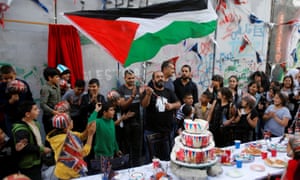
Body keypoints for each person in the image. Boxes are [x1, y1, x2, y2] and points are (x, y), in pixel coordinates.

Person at [141, 71, 180, 162]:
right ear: (153, 79)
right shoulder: (148, 91)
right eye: (158, 77)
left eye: (162, 76)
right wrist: (148, 94)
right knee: (151, 160)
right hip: (151, 131)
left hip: (167, 131)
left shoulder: (169, 92)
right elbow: (144, 105)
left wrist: (171, 106)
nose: (160, 78)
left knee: (166, 158)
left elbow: (178, 103)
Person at [46, 113, 96, 179]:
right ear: (67, 126)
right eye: (70, 120)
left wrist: (87, 129)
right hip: (70, 173)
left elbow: (80, 136)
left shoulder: (60, 134)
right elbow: (83, 153)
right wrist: (90, 135)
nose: (72, 121)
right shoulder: (65, 140)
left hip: (61, 172)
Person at [12, 101, 52, 180]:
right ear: (27, 114)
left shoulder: (34, 122)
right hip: (29, 164)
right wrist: (42, 149)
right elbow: (24, 147)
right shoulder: (21, 130)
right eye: (35, 109)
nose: (39, 110)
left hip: (37, 160)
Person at [117, 69, 143, 167]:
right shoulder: (121, 89)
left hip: (137, 121)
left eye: (133, 78)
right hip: (126, 122)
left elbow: (143, 103)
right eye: (129, 78)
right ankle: (126, 168)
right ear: (125, 78)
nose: (131, 80)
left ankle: (137, 168)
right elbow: (123, 105)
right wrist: (132, 96)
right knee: (126, 148)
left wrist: (142, 93)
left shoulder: (138, 88)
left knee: (137, 147)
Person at [0, 65, 33, 137]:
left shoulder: (23, 84)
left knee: (29, 137)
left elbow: (30, 99)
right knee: (14, 138)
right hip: (11, 118)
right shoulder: (1, 88)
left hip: (25, 117)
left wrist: (32, 112)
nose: (9, 80)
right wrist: (10, 101)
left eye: (11, 78)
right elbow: (2, 107)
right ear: (1, 78)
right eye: (5, 78)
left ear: (15, 74)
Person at [88, 102, 122, 171]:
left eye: (113, 110)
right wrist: (96, 110)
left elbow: (113, 138)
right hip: (101, 155)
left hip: (111, 154)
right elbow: (90, 123)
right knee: (103, 175)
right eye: (111, 110)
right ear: (104, 112)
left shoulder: (112, 122)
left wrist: (117, 149)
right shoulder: (99, 122)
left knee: (109, 173)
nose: (114, 112)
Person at [40, 67, 61, 134]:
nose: (59, 78)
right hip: (49, 117)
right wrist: (53, 112)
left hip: (57, 115)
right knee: (51, 136)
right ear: (50, 78)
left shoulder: (57, 85)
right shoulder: (45, 89)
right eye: (57, 77)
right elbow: (43, 104)